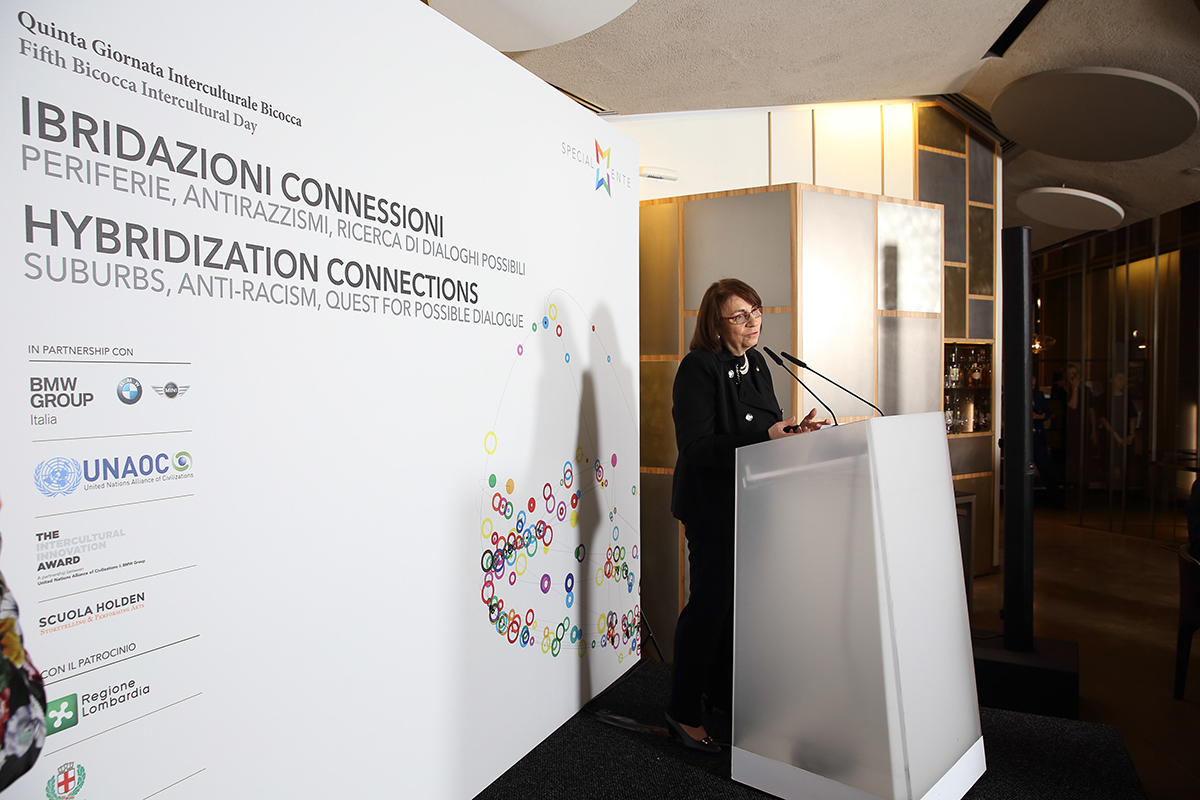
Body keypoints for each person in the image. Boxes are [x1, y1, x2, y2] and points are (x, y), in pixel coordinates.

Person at [665, 279, 829, 752]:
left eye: (755, 310)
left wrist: (793, 433)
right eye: (739, 315)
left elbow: (766, 425)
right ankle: (682, 711)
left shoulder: (757, 363)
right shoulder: (698, 368)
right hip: (713, 507)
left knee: (742, 609)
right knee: (711, 605)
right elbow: (696, 447)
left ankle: (723, 695)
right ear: (715, 325)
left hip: (755, 501)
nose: (753, 321)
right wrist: (766, 439)